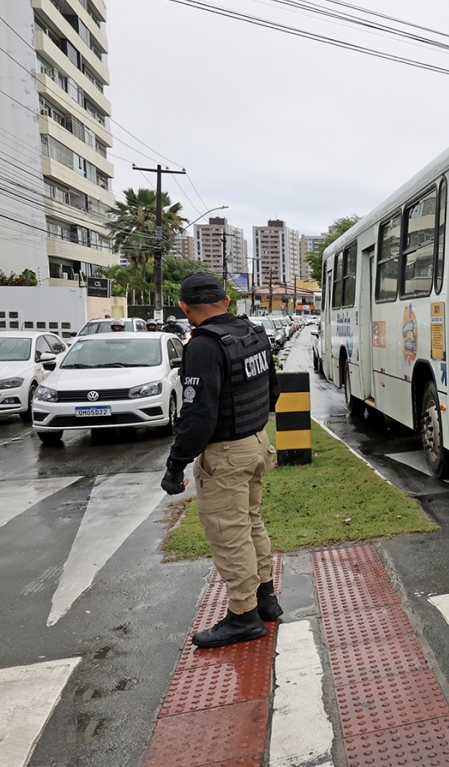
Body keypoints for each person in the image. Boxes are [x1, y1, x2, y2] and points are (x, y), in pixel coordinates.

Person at [160, 273, 281, 648]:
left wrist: (176, 464)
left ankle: (244, 616)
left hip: (227, 453)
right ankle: (265, 599)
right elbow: (272, 388)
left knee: (230, 535)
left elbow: (198, 415)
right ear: (226, 301)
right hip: (257, 441)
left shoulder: (204, 346)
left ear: (184, 307)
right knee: (250, 523)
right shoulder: (253, 332)